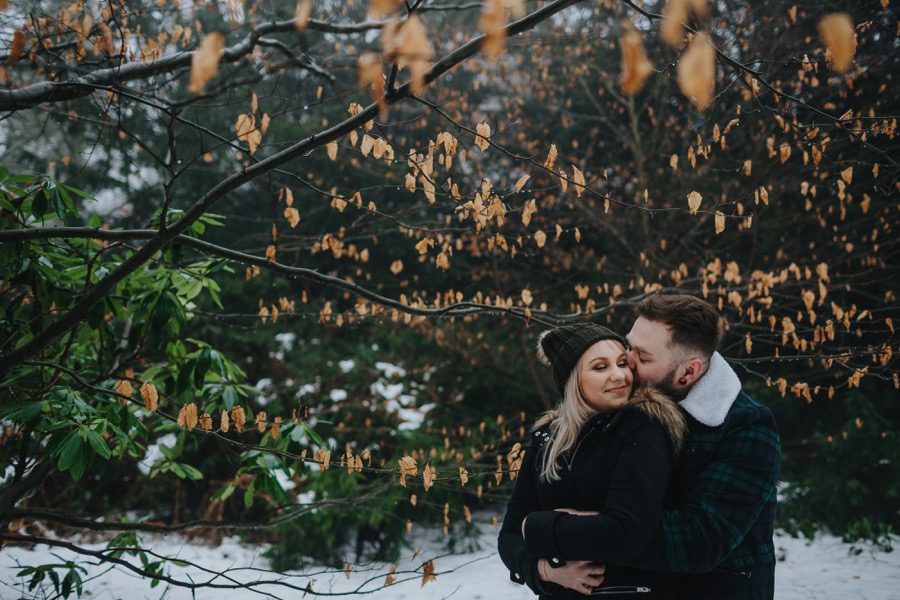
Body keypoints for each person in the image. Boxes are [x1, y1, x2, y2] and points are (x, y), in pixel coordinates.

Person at [550, 295, 782, 599]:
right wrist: (543, 567)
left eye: (643, 357)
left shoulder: (747, 427)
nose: (626, 361)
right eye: (628, 345)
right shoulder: (620, 409)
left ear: (688, 372)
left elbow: (700, 540)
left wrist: (575, 531)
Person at [498, 323, 687, 598]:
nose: (619, 375)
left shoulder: (641, 429)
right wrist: (547, 571)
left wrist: (538, 525)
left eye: (623, 363)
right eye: (600, 367)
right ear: (573, 380)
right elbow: (510, 535)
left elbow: (625, 533)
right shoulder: (547, 439)